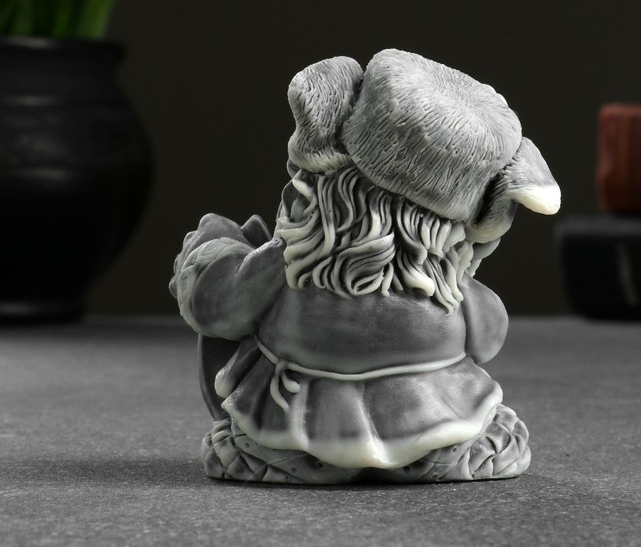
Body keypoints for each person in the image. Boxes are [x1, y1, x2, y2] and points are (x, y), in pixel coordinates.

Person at [170, 49, 560, 483]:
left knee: (252, 435)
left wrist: (210, 250)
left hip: (295, 434)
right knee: (489, 431)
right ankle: (431, 459)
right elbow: (489, 338)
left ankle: (280, 458)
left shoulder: (290, 266)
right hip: (439, 431)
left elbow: (216, 310)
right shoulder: (449, 290)